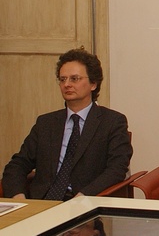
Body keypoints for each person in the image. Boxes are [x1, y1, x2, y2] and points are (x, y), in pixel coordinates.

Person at [2, 48, 133, 200]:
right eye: (63, 79)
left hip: (83, 202)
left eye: (74, 79)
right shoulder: (46, 123)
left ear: (93, 84)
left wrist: (85, 196)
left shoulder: (112, 122)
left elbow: (117, 169)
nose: (67, 84)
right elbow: (17, 165)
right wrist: (19, 196)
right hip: (42, 202)